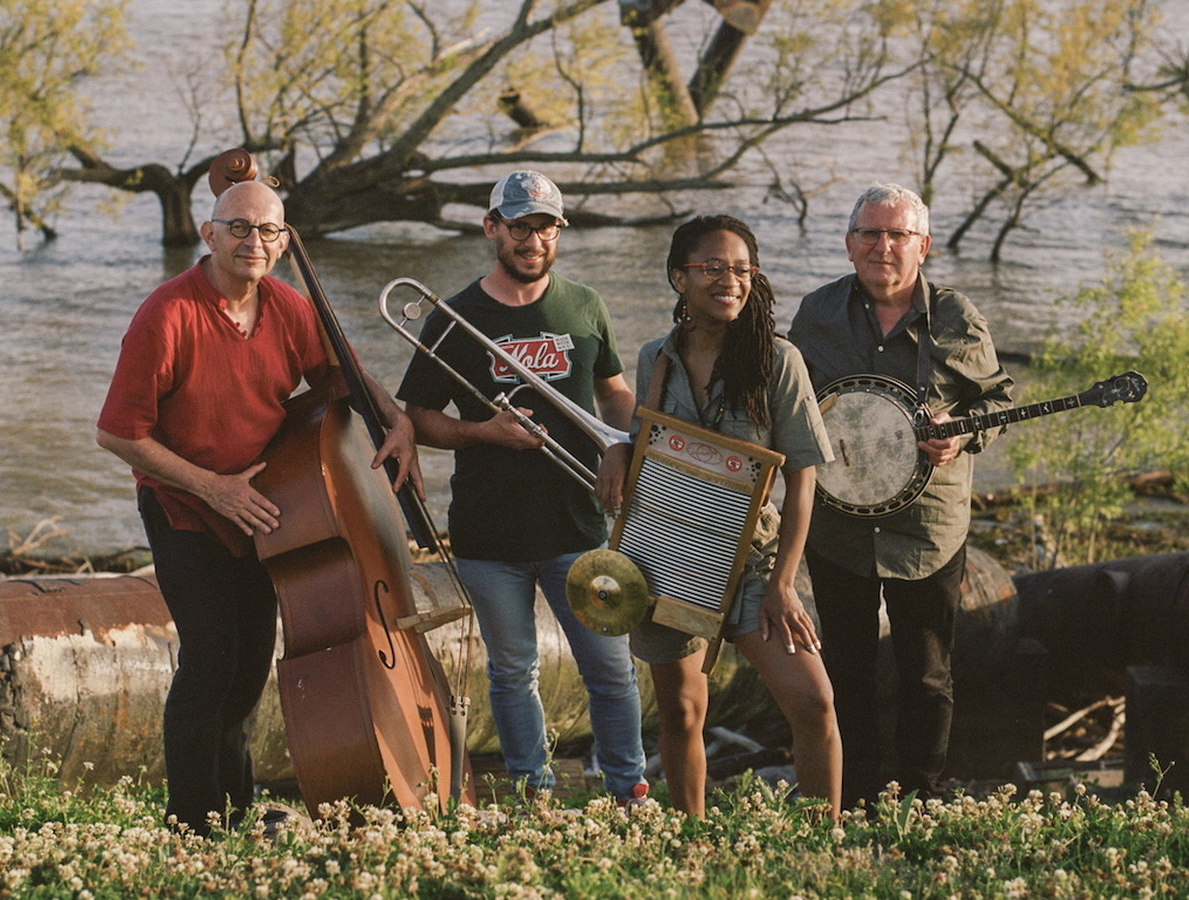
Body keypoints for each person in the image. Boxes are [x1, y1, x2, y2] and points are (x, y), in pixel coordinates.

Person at [96, 180, 421, 836]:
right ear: (209, 234)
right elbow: (116, 433)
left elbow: (339, 375)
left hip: (267, 505)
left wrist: (397, 418)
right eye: (239, 228)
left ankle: (233, 815)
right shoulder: (167, 315)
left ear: (283, 240)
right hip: (184, 505)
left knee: (249, 665)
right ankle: (189, 822)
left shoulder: (287, 304)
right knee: (211, 656)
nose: (255, 242)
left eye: (269, 230)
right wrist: (211, 486)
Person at [395, 170, 648, 803]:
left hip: (579, 522)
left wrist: (621, 447)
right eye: (520, 226)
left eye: (546, 227)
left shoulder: (584, 305)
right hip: (490, 533)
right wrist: (486, 432)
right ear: (493, 228)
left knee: (612, 671)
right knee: (512, 673)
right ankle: (533, 792)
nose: (533, 239)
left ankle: (627, 792)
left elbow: (615, 394)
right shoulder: (454, 316)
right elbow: (418, 418)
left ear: (558, 232)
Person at [598, 214, 842, 818]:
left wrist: (783, 585)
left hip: (754, 560)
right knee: (681, 712)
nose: (728, 280)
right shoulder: (656, 358)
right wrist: (618, 447)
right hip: (664, 558)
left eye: (740, 269)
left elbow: (803, 479)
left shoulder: (777, 360)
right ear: (679, 277)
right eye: (711, 267)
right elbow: (650, 448)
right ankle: (691, 840)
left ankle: (824, 843)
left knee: (813, 704)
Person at [788, 183, 1014, 808]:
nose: (881, 246)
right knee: (848, 670)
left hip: (928, 525)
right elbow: (791, 402)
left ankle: (920, 795)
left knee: (926, 674)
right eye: (869, 233)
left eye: (896, 235)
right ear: (849, 242)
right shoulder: (817, 313)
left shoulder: (957, 317)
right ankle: (855, 794)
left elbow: (997, 401)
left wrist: (962, 437)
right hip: (839, 523)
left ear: (923, 246)